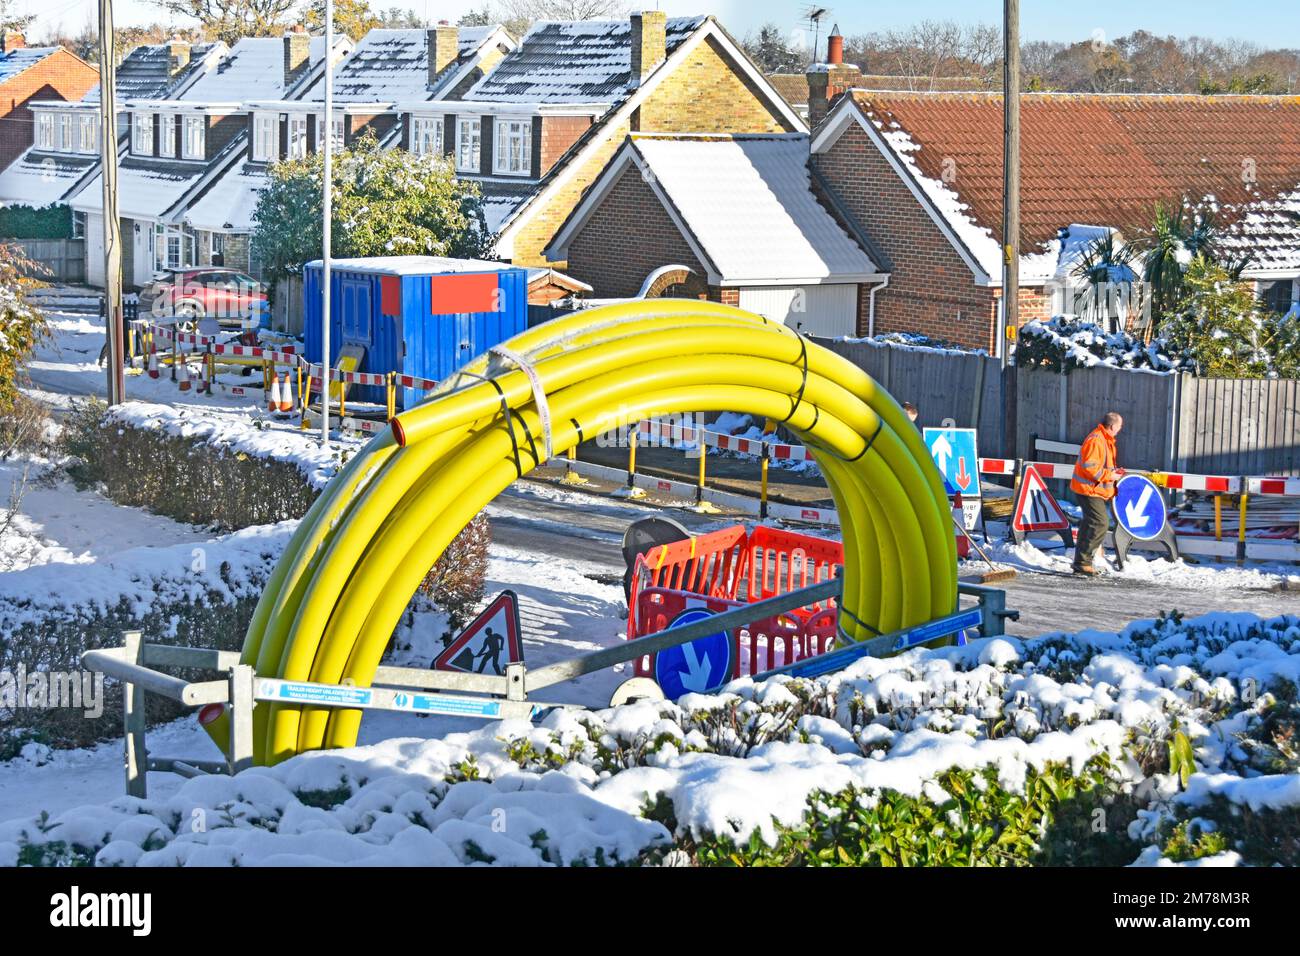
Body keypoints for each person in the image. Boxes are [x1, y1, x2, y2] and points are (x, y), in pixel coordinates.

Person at [1070, 412, 1125, 575]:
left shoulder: (1104, 439)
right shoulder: (1097, 440)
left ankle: (1081, 562)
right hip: (1088, 489)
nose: (1120, 429)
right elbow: (1090, 467)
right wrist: (1111, 475)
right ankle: (1083, 562)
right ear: (1113, 426)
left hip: (1092, 489)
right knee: (1100, 522)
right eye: (1120, 426)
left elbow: (1099, 465)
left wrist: (1113, 472)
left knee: (1090, 523)